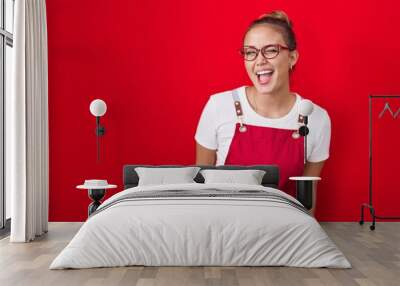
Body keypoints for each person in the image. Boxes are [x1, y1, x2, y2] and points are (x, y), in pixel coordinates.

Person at [194, 11, 331, 214]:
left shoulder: (317, 119)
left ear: (292, 57)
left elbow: (307, 201)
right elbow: (201, 184)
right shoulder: (219, 106)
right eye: (250, 52)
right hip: (224, 226)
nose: (259, 61)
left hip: (285, 231)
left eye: (271, 50)